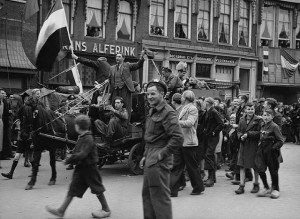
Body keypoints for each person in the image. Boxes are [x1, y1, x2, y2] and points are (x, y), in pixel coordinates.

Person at [46, 115, 111, 218]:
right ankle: (61, 211)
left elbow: (83, 154)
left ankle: (106, 209)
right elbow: (79, 151)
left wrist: (69, 159)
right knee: (73, 189)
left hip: (90, 169)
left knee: (97, 189)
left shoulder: (88, 138)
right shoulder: (83, 137)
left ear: (78, 127)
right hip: (82, 168)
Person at [140, 80, 183, 219]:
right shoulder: (152, 110)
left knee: (159, 199)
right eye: (148, 94)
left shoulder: (168, 112)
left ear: (162, 94)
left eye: (153, 94)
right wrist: (145, 155)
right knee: (147, 196)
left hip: (159, 159)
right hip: (151, 156)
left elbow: (177, 138)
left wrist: (161, 154)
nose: (150, 97)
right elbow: (150, 137)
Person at [72, 51, 145, 122]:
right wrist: (107, 80)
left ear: (123, 58)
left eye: (119, 56)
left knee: (126, 107)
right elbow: (110, 78)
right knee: (114, 107)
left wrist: (142, 58)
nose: (117, 58)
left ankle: (125, 125)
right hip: (115, 90)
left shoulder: (127, 65)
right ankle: (114, 123)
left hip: (125, 90)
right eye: (116, 56)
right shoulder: (111, 68)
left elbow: (138, 65)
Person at [177, 90, 204, 195]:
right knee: (179, 164)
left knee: (191, 166)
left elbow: (189, 123)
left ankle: (198, 187)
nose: (181, 98)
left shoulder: (192, 108)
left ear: (186, 98)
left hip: (189, 142)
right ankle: (180, 183)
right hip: (183, 140)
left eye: (182, 96)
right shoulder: (185, 108)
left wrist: (176, 122)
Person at [255, 109, 284, 199]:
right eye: (264, 115)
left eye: (268, 115)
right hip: (262, 150)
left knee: (273, 170)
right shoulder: (262, 124)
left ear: (272, 117)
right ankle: (266, 187)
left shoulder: (274, 126)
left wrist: (273, 148)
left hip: (271, 151)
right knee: (260, 168)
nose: (266, 117)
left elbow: (281, 140)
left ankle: (275, 189)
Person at [235, 103, 262, 195]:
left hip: (253, 145)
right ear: (245, 110)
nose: (250, 111)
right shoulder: (242, 119)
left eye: (252, 109)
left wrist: (249, 134)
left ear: (254, 109)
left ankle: (256, 184)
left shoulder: (258, 120)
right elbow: (238, 130)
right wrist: (240, 136)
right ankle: (241, 186)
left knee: (255, 166)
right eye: (248, 109)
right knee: (242, 165)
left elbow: (260, 132)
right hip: (243, 145)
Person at [202, 97, 224, 187]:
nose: (203, 103)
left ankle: (211, 178)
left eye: (204, 102)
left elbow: (221, 123)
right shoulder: (208, 111)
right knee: (209, 155)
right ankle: (212, 178)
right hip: (208, 137)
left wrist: (215, 132)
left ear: (207, 103)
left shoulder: (213, 111)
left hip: (213, 137)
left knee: (209, 155)